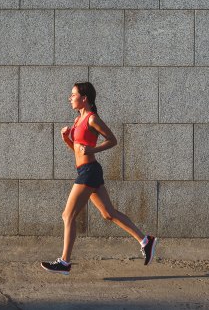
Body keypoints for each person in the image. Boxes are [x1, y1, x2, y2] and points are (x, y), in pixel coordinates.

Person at [41, 82, 157, 275]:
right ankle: (146, 241)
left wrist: (94, 149)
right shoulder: (78, 120)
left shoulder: (92, 119)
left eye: (73, 94)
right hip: (86, 170)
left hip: (89, 172)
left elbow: (112, 139)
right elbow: (79, 152)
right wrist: (67, 140)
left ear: (84, 98)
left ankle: (65, 262)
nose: (70, 98)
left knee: (67, 215)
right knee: (108, 213)